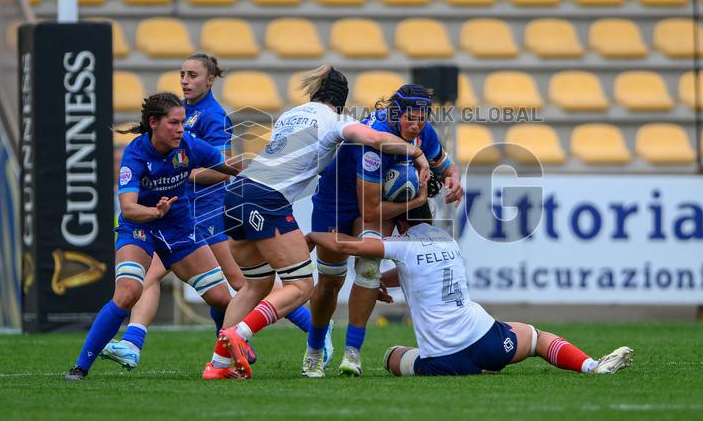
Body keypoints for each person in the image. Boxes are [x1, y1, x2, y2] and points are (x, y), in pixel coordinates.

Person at [203, 65, 431, 379]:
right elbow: (376, 138)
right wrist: (416, 153)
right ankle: (239, 334)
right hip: (267, 199)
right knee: (301, 286)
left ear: (315, 94)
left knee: (256, 285)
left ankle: (218, 365)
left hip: (236, 194)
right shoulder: (335, 121)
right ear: (341, 103)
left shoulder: (289, 115)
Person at [99, 54, 318, 371]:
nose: (185, 80)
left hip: (210, 211)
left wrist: (176, 173)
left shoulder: (212, 117)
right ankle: (135, 342)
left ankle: (315, 333)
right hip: (180, 212)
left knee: (246, 284)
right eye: (182, 74)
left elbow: (222, 168)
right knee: (154, 276)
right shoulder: (181, 112)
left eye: (192, 75)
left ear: (210, 80)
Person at [307, 202, 633, 378]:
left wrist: (312, 238)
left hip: (445, 360)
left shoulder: (402, 245)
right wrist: (384, 281)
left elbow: (348, 245)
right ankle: (591, 366)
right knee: (536, 337)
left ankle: (439, 363)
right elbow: (421, 272)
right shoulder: (447, 241)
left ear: (401, 225)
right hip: (487, 339)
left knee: (392, 355)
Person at [65, 92, 242, 381]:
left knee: (223, 298)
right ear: (154, 123)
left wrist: (262, 167)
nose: (181, 129)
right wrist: (155, 213)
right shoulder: (134, 155)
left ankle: (222, 361)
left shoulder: (188, 146)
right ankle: (80, 366)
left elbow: (226, 166)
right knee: (127, 293)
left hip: (180, 229)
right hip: (140, 228)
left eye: (183, 122)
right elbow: (129, 208)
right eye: (174, 123)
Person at [303, 84, 463, 378]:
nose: (415, 125)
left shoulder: (422, 133)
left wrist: (454, 181)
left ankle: (353, 352)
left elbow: (448, 168)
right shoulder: (372, 143)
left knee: (368, 268)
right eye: (409, 118)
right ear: (394, 113)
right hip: (336, 204)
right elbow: (371, 211)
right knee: (330, 283)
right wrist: (416, 200)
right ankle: (314, 349)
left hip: (375, 204)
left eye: (421, 118)